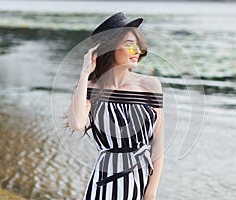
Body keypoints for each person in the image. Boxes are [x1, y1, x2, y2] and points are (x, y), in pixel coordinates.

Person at [67, 12, 164, 200]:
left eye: (138, 46)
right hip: (104, 182)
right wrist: (84, 74)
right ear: (110, 49)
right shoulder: (90, 87)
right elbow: (77, 123)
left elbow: (158, 143)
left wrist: (151, 192)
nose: (137, 51)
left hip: (140, 180)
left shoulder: (150, 85)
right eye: (129, 45)